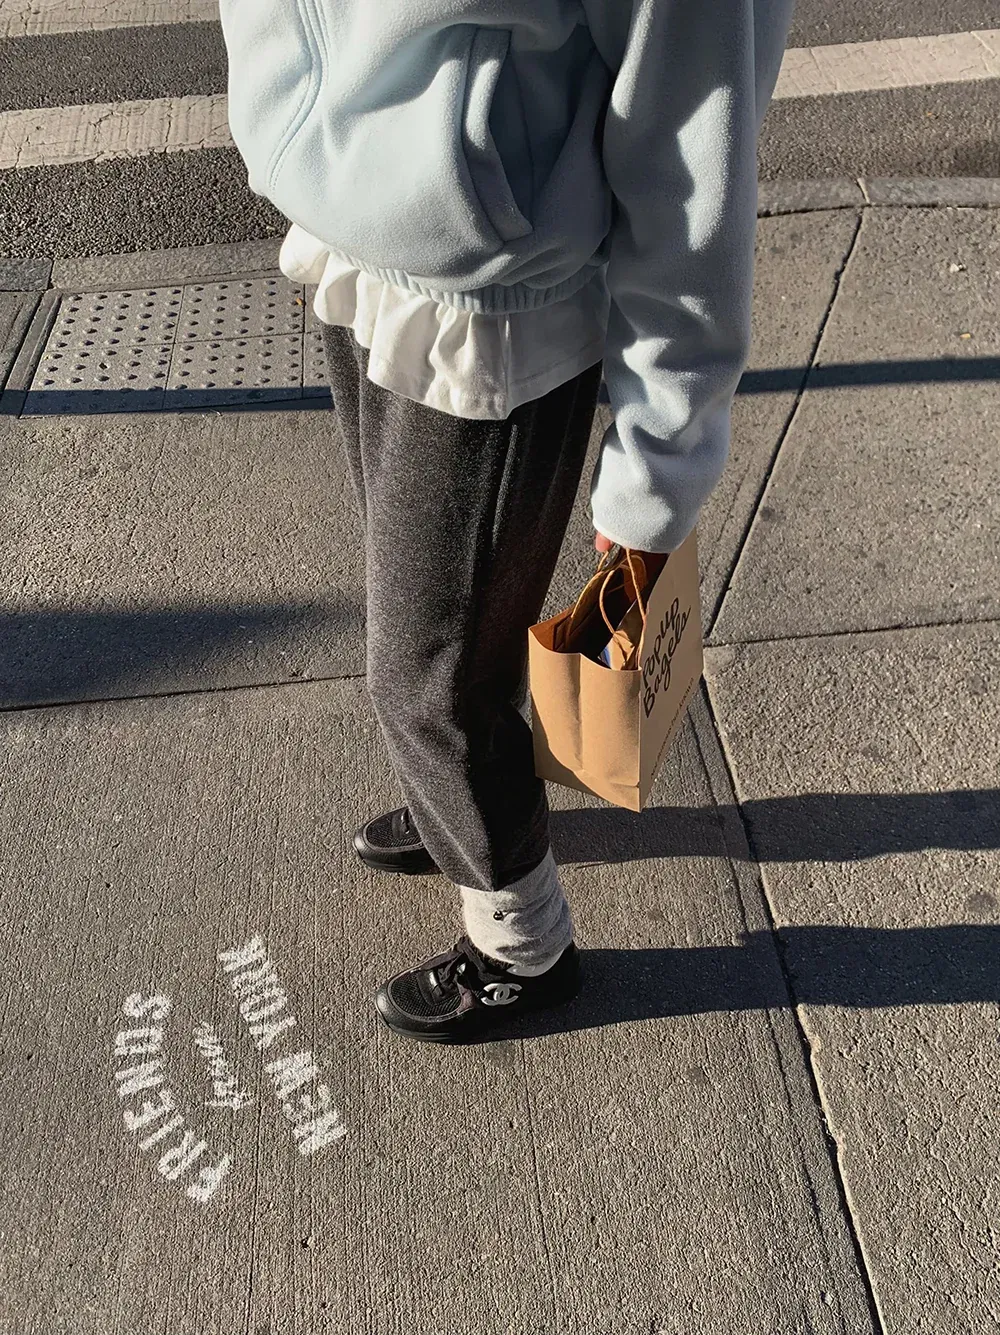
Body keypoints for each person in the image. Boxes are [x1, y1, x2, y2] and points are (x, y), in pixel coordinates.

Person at [220, 0, 794, 1042]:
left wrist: (657, 466)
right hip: (354, 226)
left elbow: (694, 159)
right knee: (441, 638)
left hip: (493, 311)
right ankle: (463, 803)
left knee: (428, 678)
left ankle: (522, 944)